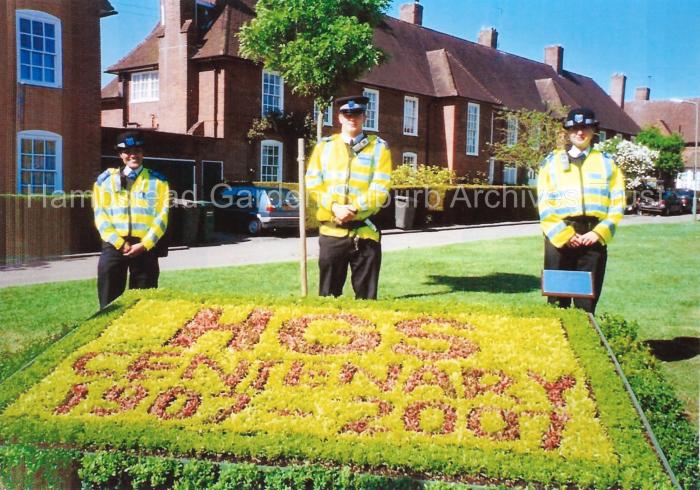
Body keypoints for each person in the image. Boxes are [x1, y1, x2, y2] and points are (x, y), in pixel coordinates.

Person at [537, 107, 625, 314]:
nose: (580, 132)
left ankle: (586, 343)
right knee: (558, 303)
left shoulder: (608, 164)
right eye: (574, 128)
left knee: (586, 304)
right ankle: (559, 346)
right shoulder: (551, 164)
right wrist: (564, 234)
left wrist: (598, 233)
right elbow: (544, 203)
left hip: (593, 239)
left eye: (585, 127)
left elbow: (618, 203)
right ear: (567, 131)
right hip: (560, 239)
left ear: (594, 130)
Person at [305, 95, 392, 299]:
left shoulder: (379, 147)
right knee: (327, 297)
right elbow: (313, 182)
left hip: (365, 232)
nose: (352, 117)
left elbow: (381, 186)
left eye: (357, 113)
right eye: (347, 113)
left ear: (364, 117)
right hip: (332, 231)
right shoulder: (324, 147)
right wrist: (335, 207)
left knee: (367, 301)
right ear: (339, 118)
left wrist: (353, 208)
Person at [92, 131, 170, 309]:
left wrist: (145, 244)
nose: (133, 154)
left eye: (137, 150)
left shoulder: (158, 182)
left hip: (144, 248)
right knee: (109, 302)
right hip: (114, 246)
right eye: (127, 151)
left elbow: (162, 216)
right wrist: (119, 243)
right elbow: (100, 215)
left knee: (144, 304)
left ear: (143, 152)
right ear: (120, 154)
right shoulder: (105, 181)